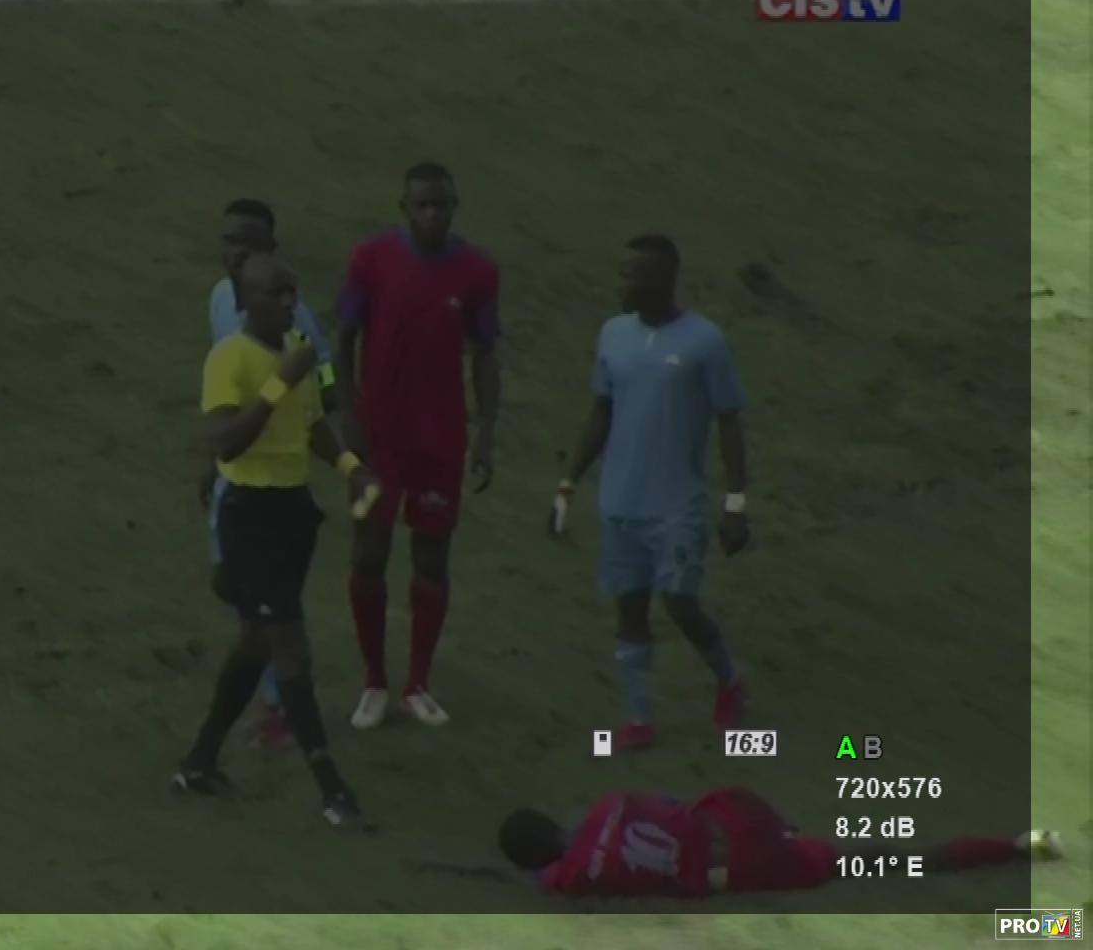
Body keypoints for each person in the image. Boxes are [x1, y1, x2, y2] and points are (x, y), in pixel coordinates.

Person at [173, 253, 380, 832]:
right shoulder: (230, 359)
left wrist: (351, 467)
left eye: (292, 292)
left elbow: (311, 423)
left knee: (256, 641)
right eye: (274, 293)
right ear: (245, 302)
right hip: (249, 515)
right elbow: (225, 442)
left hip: (292, 513)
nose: (288, 303)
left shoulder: (299, 349)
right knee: (290, 645)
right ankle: (332, 789)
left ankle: (198, 762)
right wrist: (277, 383)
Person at [549, 235, 746, 751]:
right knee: (630, 609)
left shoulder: (705, 342)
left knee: (680, 601)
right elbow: (601, 412)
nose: (622, 283)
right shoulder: (613, 335)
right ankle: (638, 719)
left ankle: (729, 679)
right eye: (623, 272)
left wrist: (735, 502)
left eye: (633, 274)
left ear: (663, 280)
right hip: (620, 502)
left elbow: (729, 421)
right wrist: (568, 482)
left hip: (677, 504)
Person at [334, 162, 502, 729]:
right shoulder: (371, 259)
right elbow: (344, 339)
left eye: (441, 204)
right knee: (369, 553)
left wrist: (486, 431)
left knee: (431, 557)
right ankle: (374, 681)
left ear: (455, 206)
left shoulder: (477, 272)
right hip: (378, 437)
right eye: (422, 205)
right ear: (404, 207)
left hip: (439, 439)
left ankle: (417, 684)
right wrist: (347, 413)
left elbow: (485, 354)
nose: (432, 214)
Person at [202, 199, 337, 749]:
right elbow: (222, 392)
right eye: (231, 240)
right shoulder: (219, 298)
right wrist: (206, 464)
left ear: (270, 251)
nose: (238, 252)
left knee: (270, 604)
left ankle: (279, 707)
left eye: (251, 243)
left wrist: (314, 401)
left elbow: (324, 376)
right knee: (232, 586)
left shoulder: (293, 319)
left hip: (274, 480)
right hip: (233, 473)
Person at [414, 787, 1063, 896]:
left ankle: (1030, 873)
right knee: (888, 853)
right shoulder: (610, 804)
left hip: (741, 870)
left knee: (883, 864)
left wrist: (458, 868)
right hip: (738, 818)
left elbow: (528, 880)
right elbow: (674, 802)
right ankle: (1019, 844)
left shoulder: (571, 877)